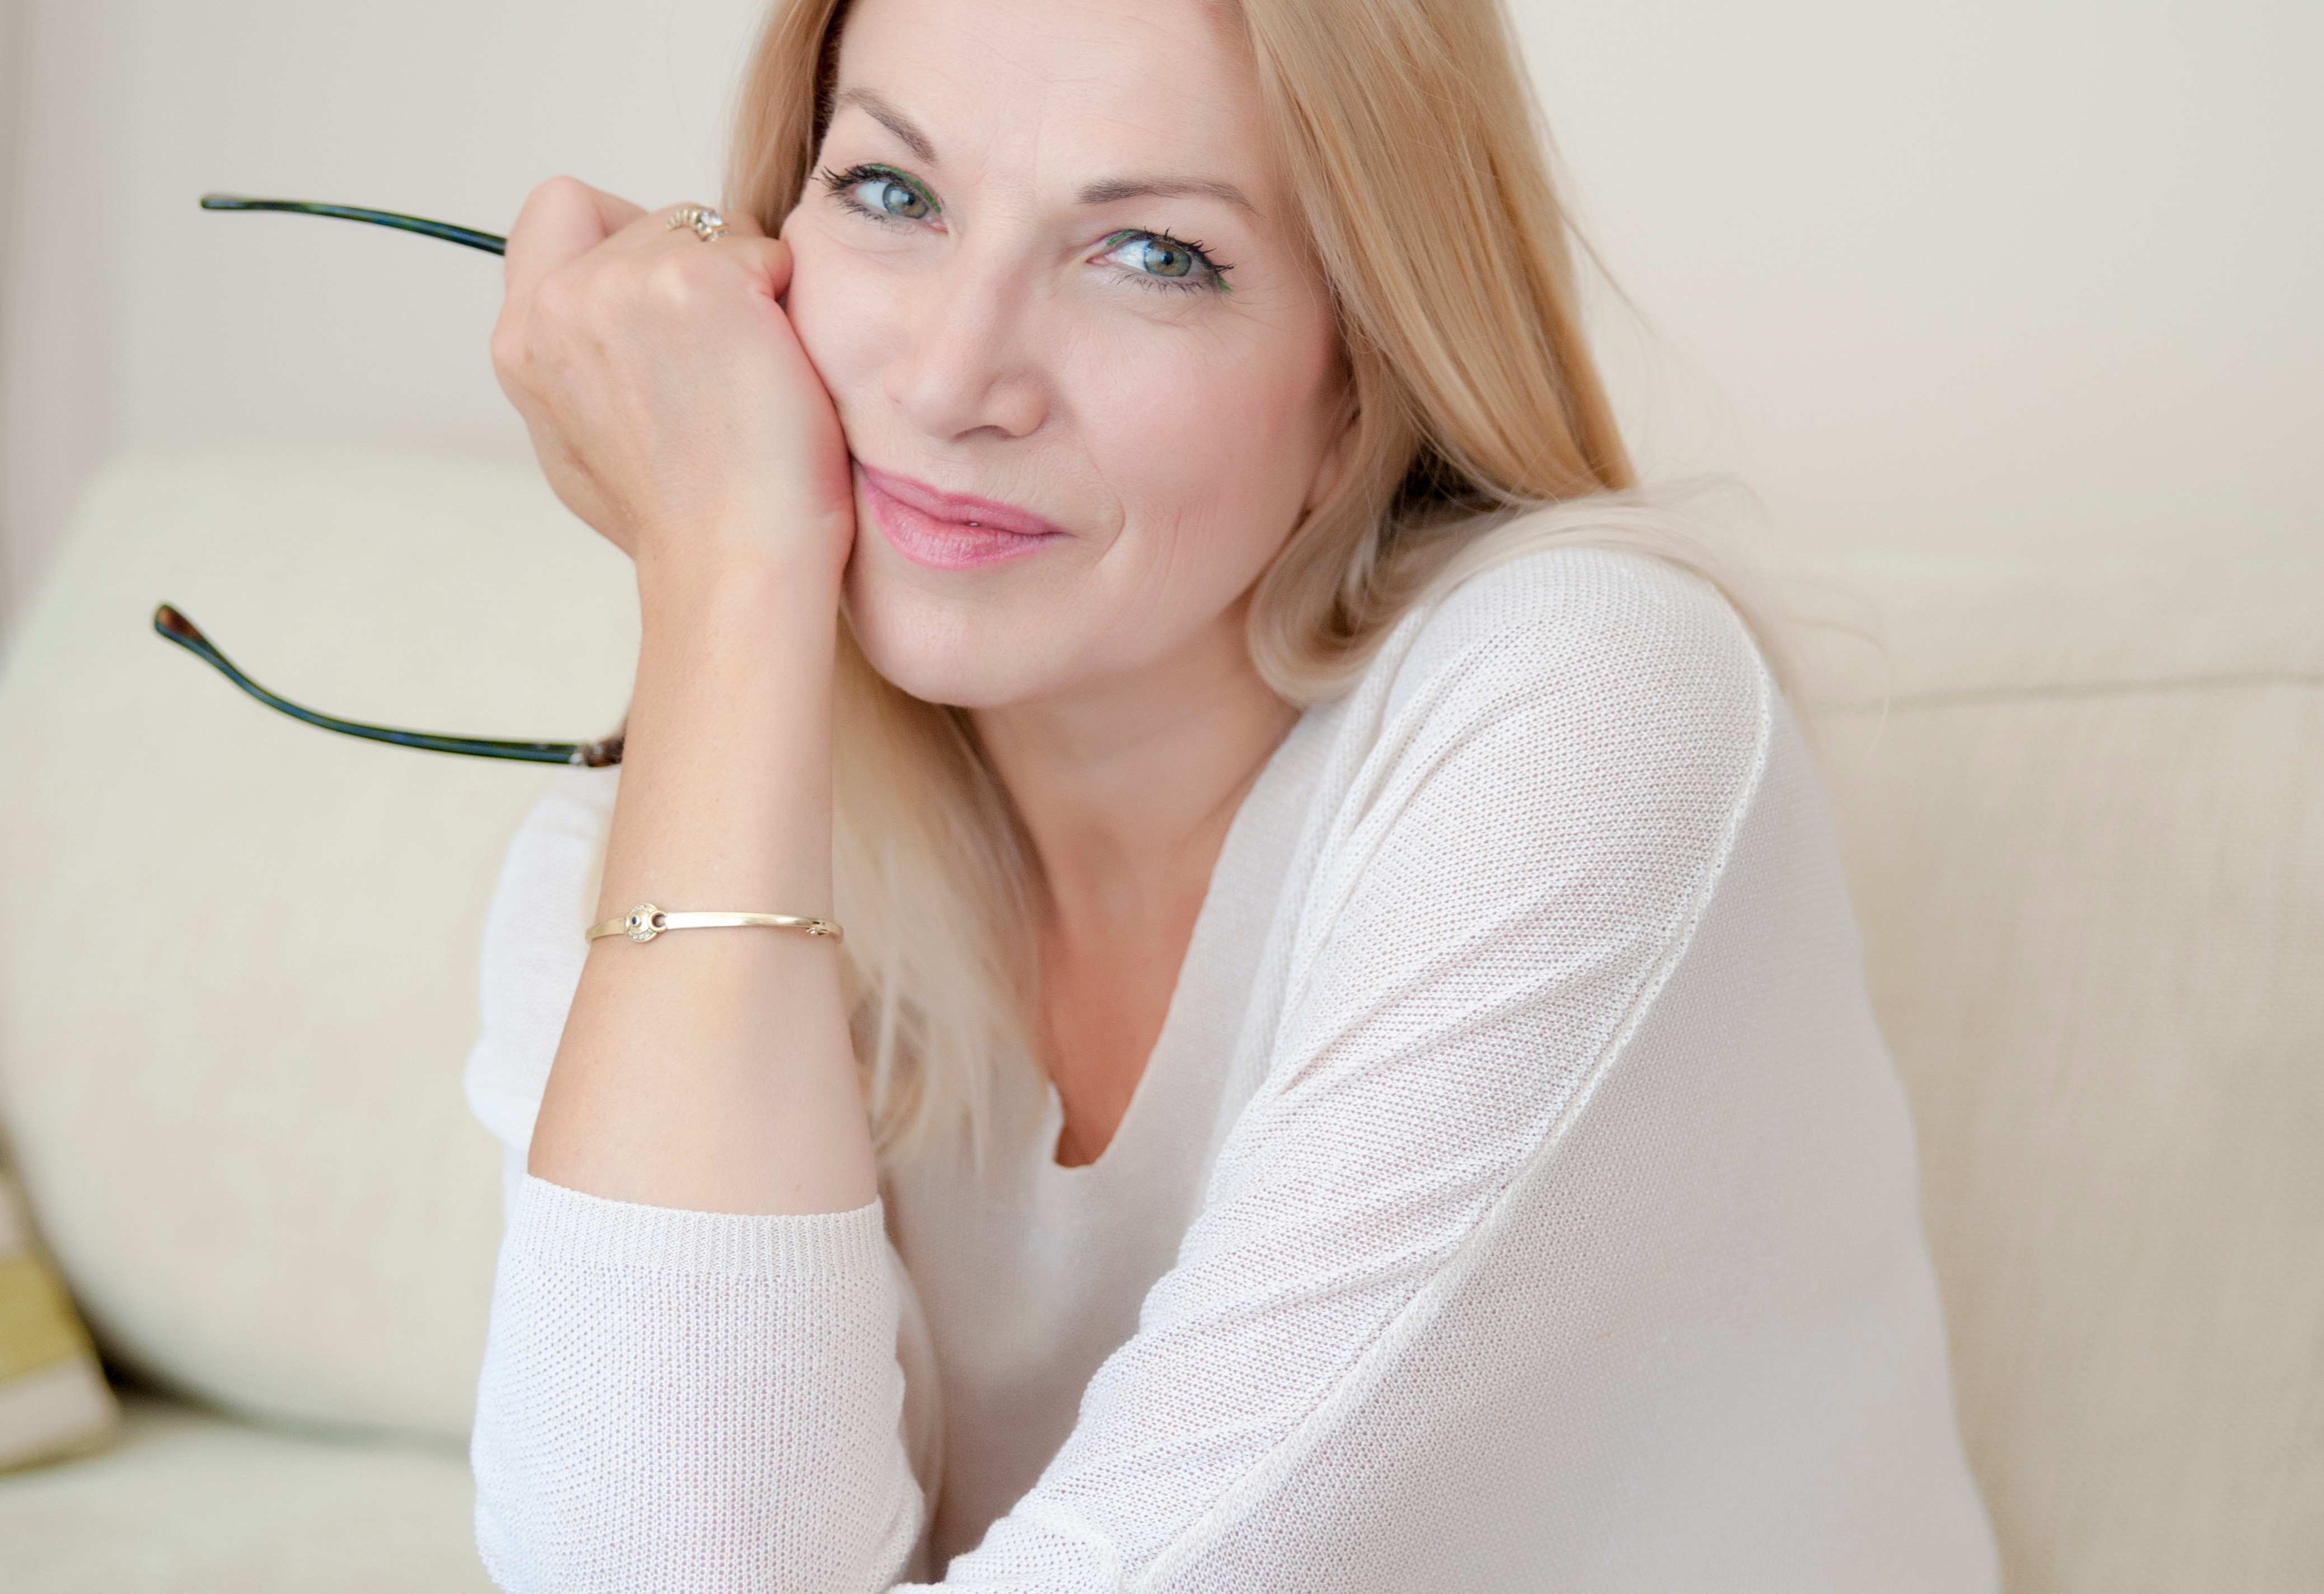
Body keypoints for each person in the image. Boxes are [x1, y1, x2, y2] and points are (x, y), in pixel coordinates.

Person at [462, 0, 2000, 1586]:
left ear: (1362, 385)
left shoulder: (1586, 709)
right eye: (892, 193)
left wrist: (726, 574)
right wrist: (733, 579)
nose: (950, 376)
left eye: (1155, 256)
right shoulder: (658, 851)